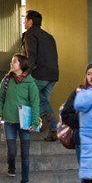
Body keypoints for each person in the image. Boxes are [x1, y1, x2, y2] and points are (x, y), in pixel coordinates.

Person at [0, 53, 41, 183]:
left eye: (14, 62)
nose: (11, 64)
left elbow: (35, 103)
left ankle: (24, 182)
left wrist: (34, 121)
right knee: (12, 150)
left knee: (25, 154)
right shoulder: (6, 80)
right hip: (9, 121)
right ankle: (11, 166)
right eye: (12, 61)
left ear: (21, 65)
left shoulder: (30, 83)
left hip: (25, 122)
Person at [59, 63, 92, 183]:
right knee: (88, 177)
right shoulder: (80, 92)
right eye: (89, 74)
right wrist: (81, 123)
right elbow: (66, 114)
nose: (91, 77)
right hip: (83, 140)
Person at [21, 10, 60, 141]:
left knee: (32, 97)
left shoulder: (30, 34)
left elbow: (31, 56)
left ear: (30, 21)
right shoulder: (49, 36)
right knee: (43, 101)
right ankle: (44, 127)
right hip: (53, 75)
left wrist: (25, 73)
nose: (24, 22)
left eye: (25, 19)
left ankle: (52, 127)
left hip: (40, 74)